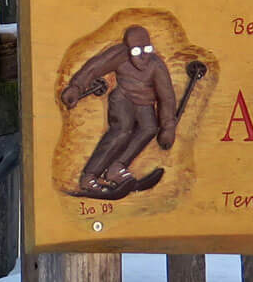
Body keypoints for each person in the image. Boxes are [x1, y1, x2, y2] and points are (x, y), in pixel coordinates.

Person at [60, 24, 179, 197]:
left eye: (147, 49)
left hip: (144, 103)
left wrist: (168, 127)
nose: (143, 56)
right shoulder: (120, 55)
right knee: (122, 130)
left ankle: (116, 168)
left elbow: (166, 97)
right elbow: (95, 67)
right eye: (137, 51)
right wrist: (76, 87)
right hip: (122, 97)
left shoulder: (156, 65)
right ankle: (90, 176)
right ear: (129, 49)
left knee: (149, 128)